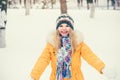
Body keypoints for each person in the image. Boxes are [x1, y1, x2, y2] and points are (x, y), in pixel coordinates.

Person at [30, 14, 117, 80]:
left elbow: (91, 57)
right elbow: (42, 60)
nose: (64, 29)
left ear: (71, 28)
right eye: (61, 26)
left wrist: (102, 68)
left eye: (67, 26)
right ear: (57, 28)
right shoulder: (51, 45)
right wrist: (34, 75)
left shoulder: (78, 44)